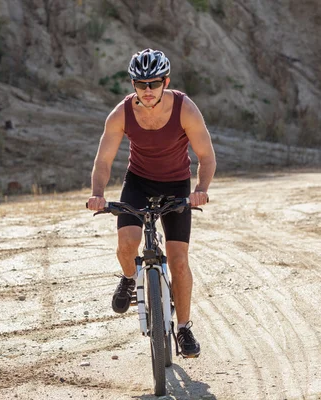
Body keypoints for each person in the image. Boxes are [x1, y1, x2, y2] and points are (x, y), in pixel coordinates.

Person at [87, 48, 216, 358]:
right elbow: (103, 160)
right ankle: (130, 279)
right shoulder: (121, 114)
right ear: (133, 84)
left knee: (178, 260)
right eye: (141, 84)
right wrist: (98, 193)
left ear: (165, 82)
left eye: (154, 84)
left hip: (176, 185)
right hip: (138, 182)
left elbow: (206, 155)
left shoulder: (185, 109)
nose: (147, 91)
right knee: (126, 245)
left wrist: (200, 188)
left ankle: (183, 327)